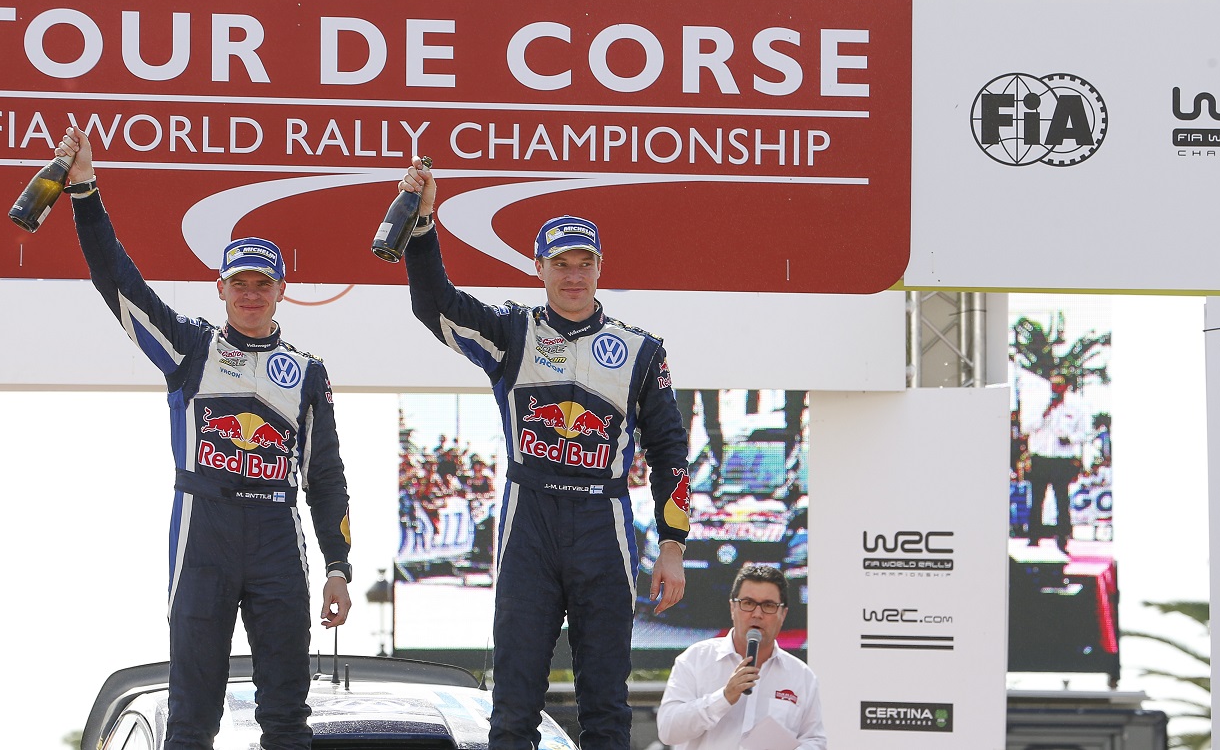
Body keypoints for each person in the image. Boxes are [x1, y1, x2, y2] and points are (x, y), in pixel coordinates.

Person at [58, 126, 353, 750]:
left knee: (287, 718)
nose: (251, 295)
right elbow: (119, 282)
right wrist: (85, 191)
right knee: (191, 718)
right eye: (239, 283)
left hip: (277, 537)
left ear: (282, 291)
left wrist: (337, 566)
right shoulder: (192, 349)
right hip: (203, 535)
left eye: (263, 284)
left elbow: (326, 478)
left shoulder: (307, 371)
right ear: (220, 288)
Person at [396, 160, 690, 750]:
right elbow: (435, 305)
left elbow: (670, 451)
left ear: (601, 268)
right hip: (529, 520)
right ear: (538, 268)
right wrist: (423, 227)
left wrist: (673, 546)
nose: (573, 276)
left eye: (584, 264)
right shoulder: (512, 332)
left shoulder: (640, 350)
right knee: (513, 709)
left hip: (603, 523)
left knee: (606, 710)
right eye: (561, 264)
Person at [658, 564, 825, 750]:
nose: (757, 614)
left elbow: (815, 741)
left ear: (783, 613)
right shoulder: (696, 659)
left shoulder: (802, 677)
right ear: (733, 607)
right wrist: (723, 698)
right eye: (748, 603)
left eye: (768, 606)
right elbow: (668, 730)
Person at [1024, 371, 1088, 553]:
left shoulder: (1076, 407)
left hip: (1062, 459)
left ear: (1066, 386)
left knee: (1062, 501)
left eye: (1059, 384)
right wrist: (1045, 412)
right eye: (1053, 384)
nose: (1055, 388)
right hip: (1041, 458)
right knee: (1037, 500)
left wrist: (1071, 438)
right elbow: (1027, 427)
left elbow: (1084, 432)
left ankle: (1062, 540)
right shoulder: (1038, 403)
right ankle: (1033, 537)